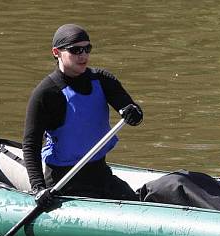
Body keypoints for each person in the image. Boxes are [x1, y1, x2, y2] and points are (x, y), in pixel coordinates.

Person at [23, 24, 143, 206]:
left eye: (87, 49)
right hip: (62, 182)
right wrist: (38, 188)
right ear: (56, 52)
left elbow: (131, 110)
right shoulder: (46, 93)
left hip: (100, 175)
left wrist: (132, 112)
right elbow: (31, 145)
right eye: (76, 50)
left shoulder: (103, 79)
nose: (83, 55)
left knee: (136, 203)